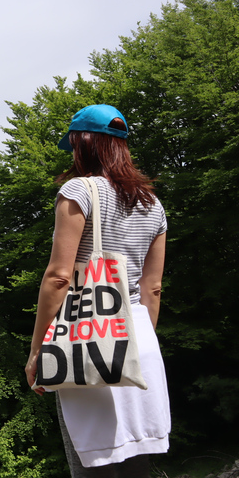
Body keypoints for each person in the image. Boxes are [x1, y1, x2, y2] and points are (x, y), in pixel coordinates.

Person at [24, 104, 170, 477]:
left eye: (72, 144)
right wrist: (136, 344)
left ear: (83, 143)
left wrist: (38, 348)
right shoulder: (153, 205)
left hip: (87, 335)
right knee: (137, 461)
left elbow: (59, 276)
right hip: (139, 341)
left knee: (92, 461)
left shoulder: (78, 190)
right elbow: (151, 288)